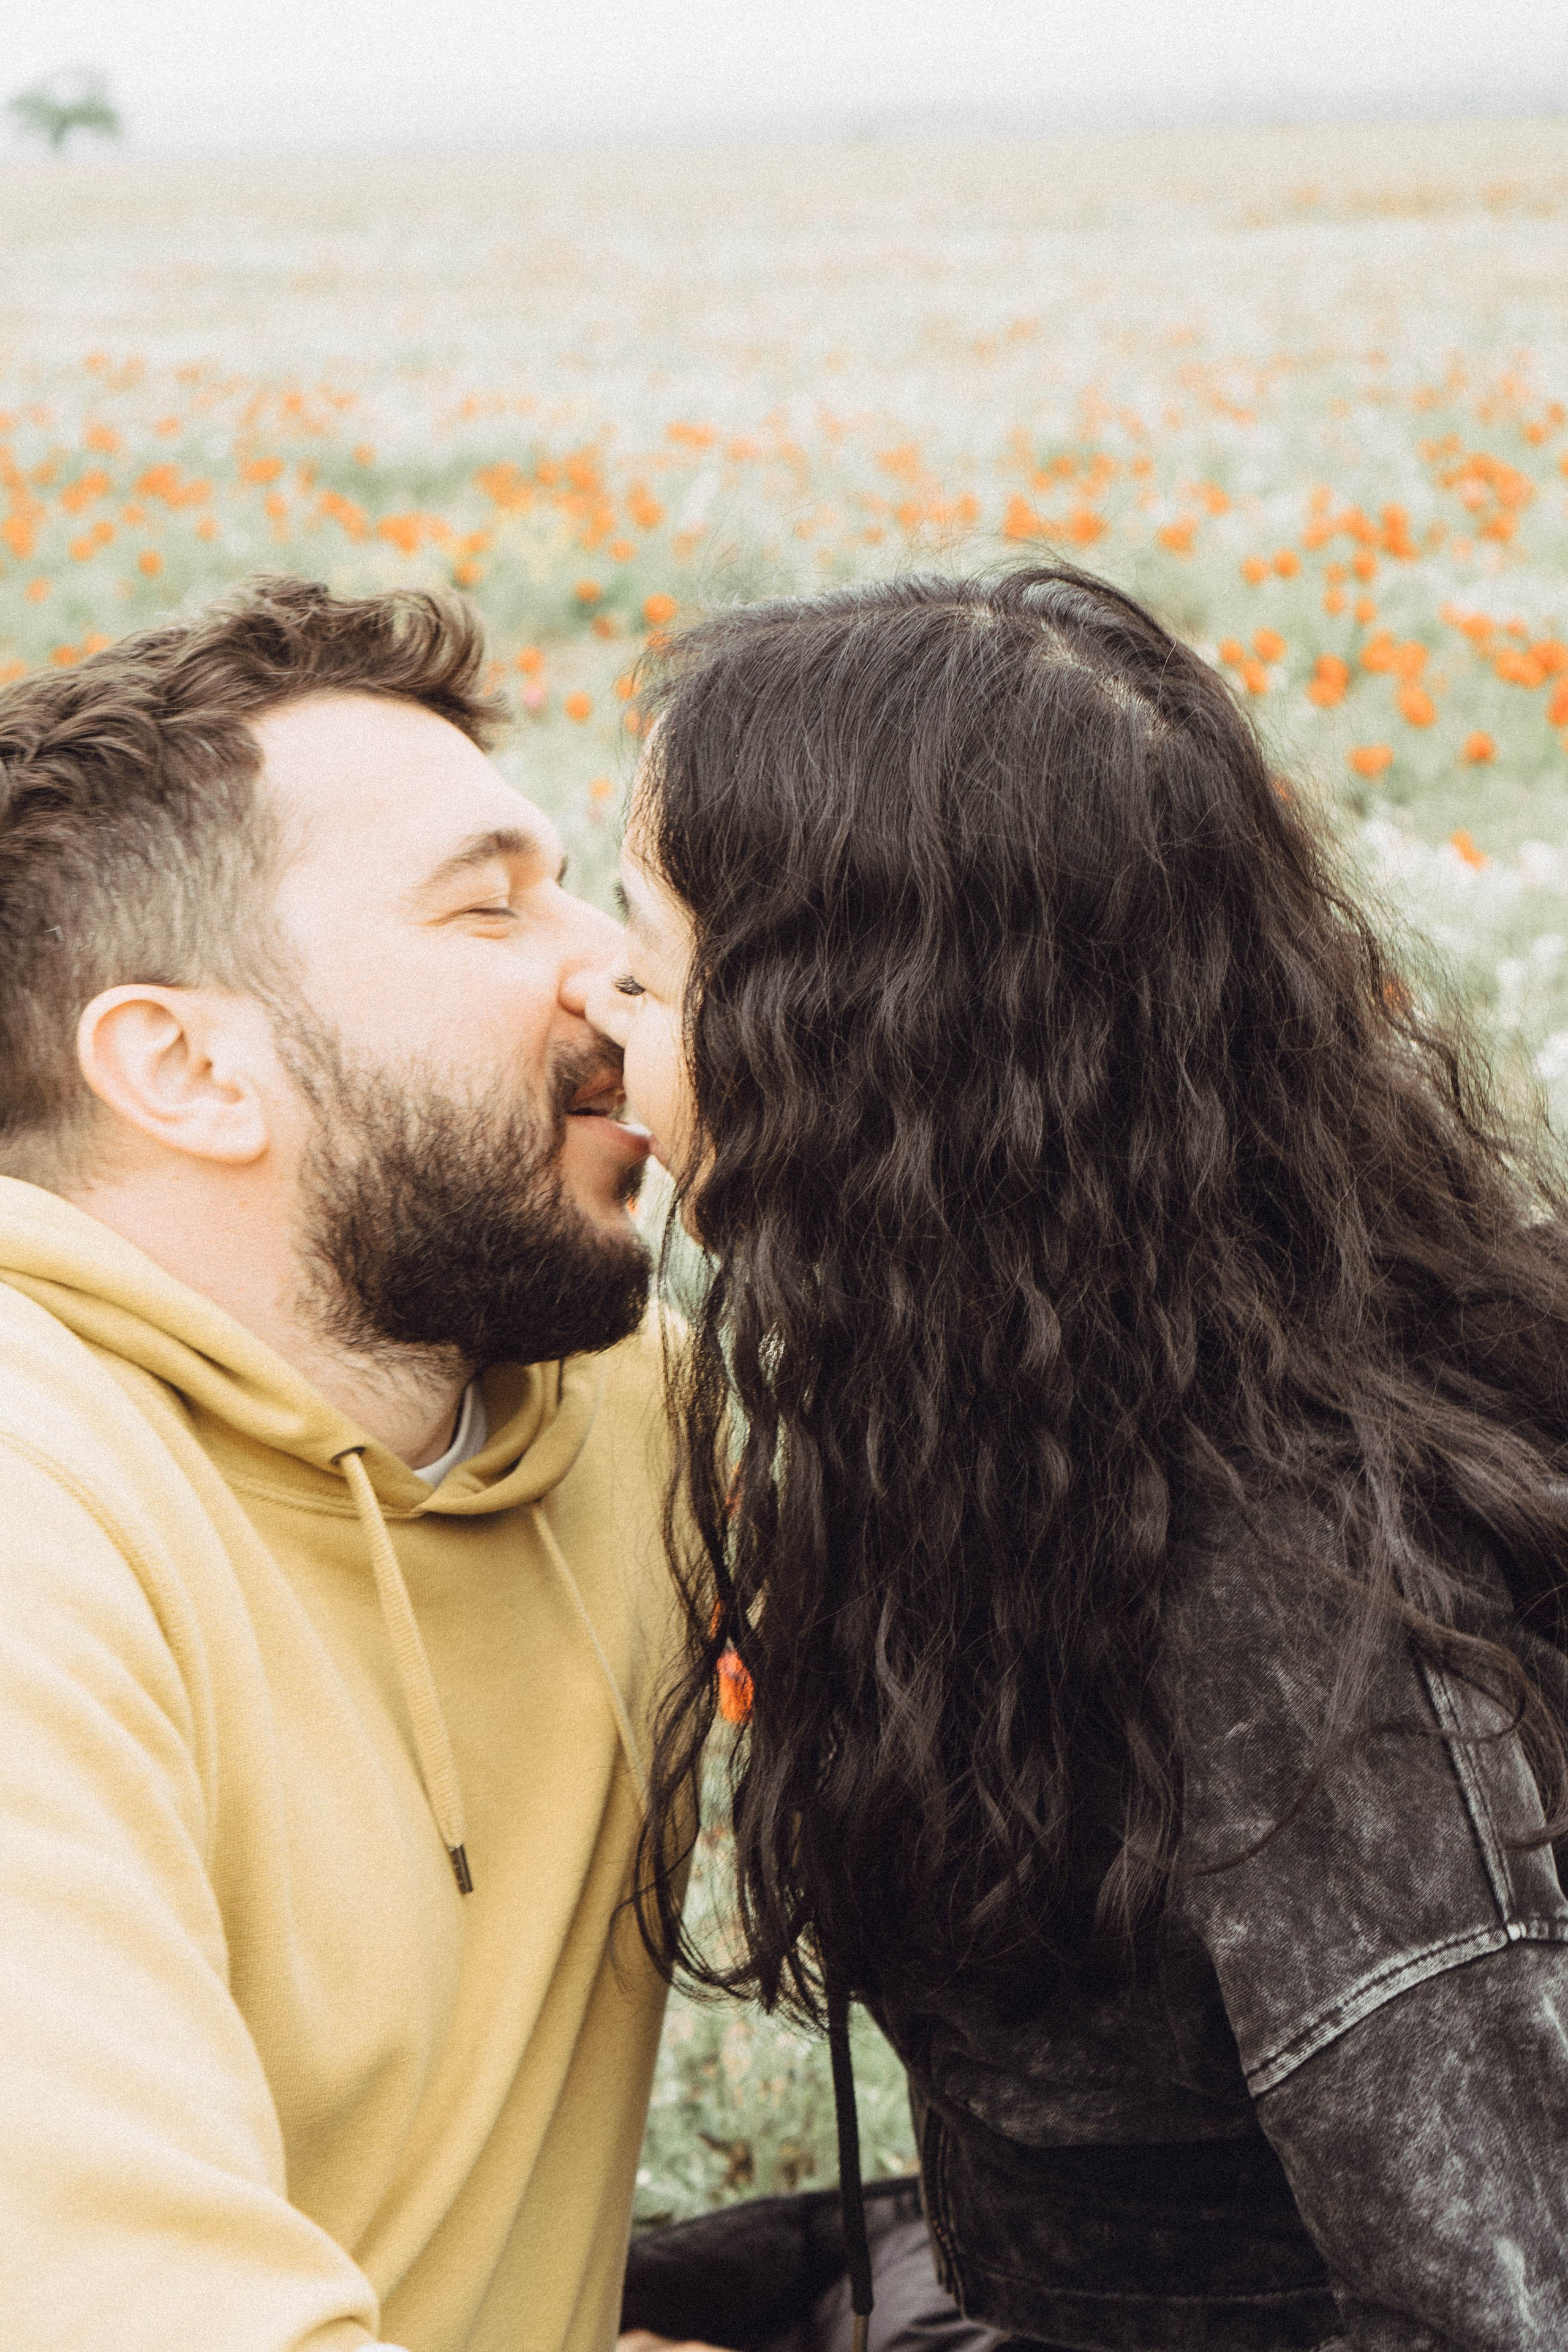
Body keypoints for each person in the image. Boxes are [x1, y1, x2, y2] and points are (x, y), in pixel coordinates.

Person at [588, 565, 1568, 2352]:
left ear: (853, 1055)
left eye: (649, 964)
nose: (593, 999)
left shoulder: (1297, 1591)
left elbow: (1495, 2301)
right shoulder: (1006, 1409)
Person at [0, 575, 679, 2352]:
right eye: (488, 909)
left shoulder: (617, 1412)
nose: (613, 962)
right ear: (192, 1070)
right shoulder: (37, 1518)